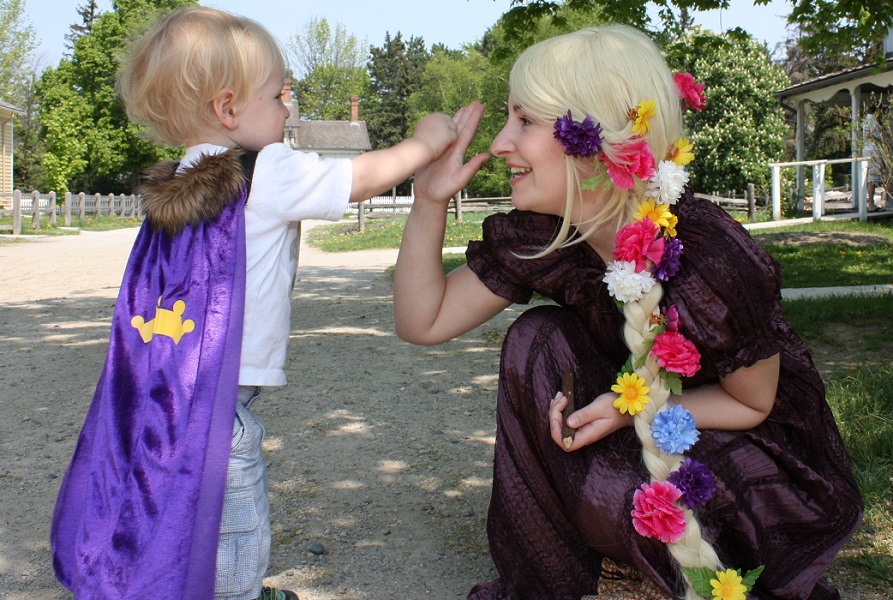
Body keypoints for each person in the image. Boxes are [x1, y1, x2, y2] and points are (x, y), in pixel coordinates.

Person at [393, 24, 863, 600]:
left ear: (597, 140)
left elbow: (753, 402)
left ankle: (689, 563)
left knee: (623, 497)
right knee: (536, 337)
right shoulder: (553, 234)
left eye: (525, 121)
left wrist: (621, 412)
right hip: (648, 429)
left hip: (755, 459)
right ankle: (566, 576)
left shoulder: (707, 256)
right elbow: (423, 320)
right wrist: (429, 199)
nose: (498, 143)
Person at [50, 7, 458, 600]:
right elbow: (361, 177)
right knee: (233, 511)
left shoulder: (181, 180)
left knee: (176, 497)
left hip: (173, 386)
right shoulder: (263, 170)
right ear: (227, 109)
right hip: (222, 396)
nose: (286, 109)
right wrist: (425, 141)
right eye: (277, 95)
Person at [863, 103, 889, 212]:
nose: (884, 112)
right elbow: (868, 135)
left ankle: (875, 203)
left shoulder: (874, 120)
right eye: (883, 110)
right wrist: (881, 141)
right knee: (872, 179)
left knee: (879, 177)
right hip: (872, 151)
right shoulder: (871, 120)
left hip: (875, 150)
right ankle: (871, 204)